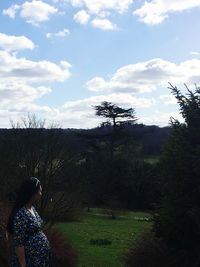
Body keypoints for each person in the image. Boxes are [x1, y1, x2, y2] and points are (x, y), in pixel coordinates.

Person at [7, 177, 51, 267]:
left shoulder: (32, 209)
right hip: (29, 261)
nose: (41, 194)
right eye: (40, 191)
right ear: (32, 193)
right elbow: (19, 243)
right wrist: (23, 265)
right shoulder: (21, 214)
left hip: (39, 260)